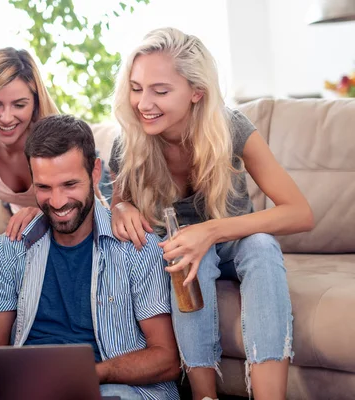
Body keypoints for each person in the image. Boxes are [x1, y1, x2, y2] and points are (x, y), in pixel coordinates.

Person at [108, 27, 314, 400]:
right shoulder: (131, 140)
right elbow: (117, 198)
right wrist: (120, 206)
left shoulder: (230, 127)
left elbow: (300, 213)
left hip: (236, 243)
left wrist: (212, 231)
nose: (143, 103)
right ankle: (205, 397)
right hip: (183, 254)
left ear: (196, 92)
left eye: (161, 90)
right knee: (190, 260)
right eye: (136, 88)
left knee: (262, 246)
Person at [0, 114, 180, 400]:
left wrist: (94, 372)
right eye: (44, 187)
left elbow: (167, 359)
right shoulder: (12, 247)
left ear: (95, 172)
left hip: (118, 388)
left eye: (69, 185)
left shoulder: (137, 246)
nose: (57, 202)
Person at [0, 47, 111, 305]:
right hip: (23, 215)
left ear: (35, 102)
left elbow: (91, 213)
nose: (6, 118)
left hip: (79, 206)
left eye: (19, 104)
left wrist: (44, 212)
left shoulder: (54, 135)